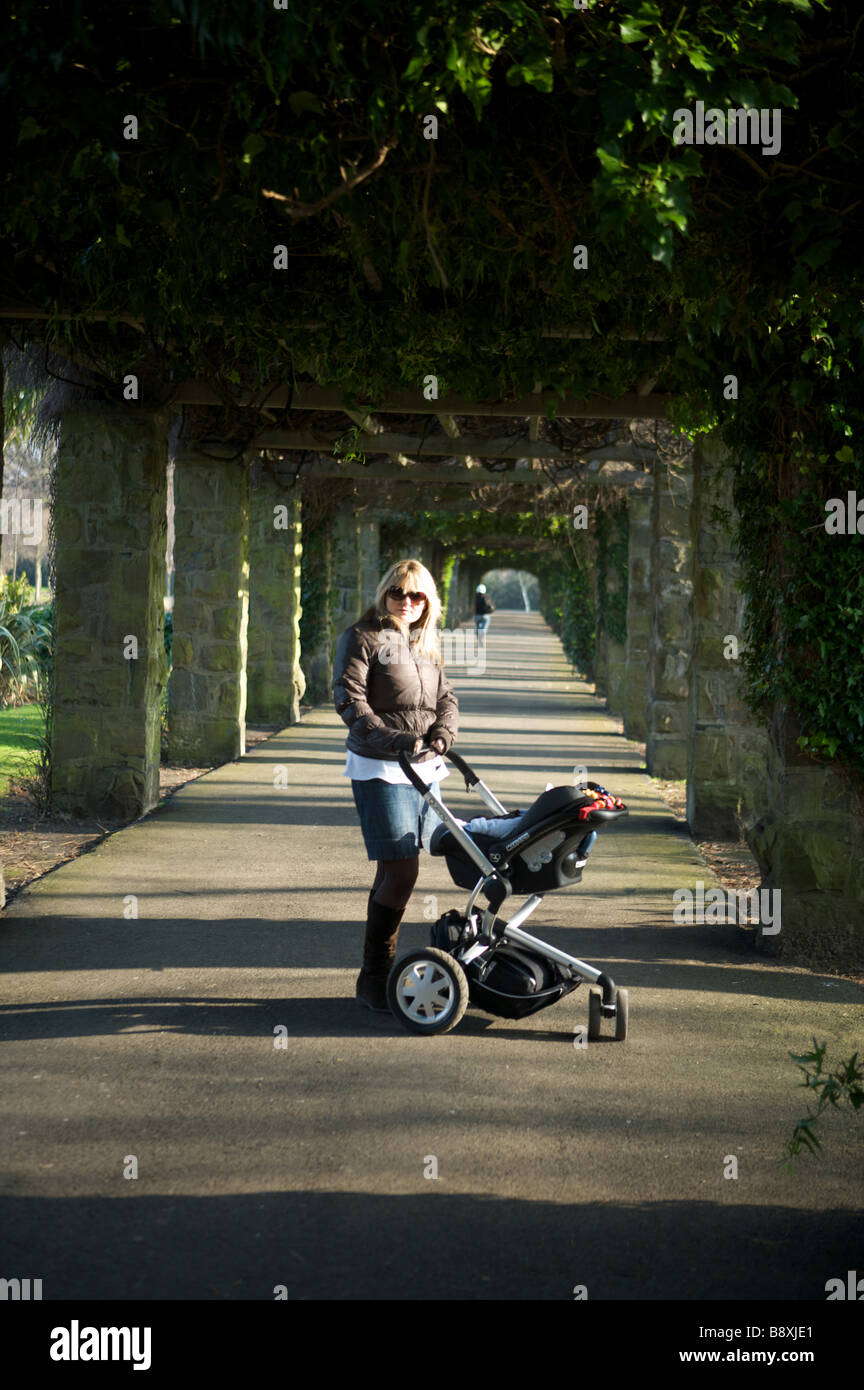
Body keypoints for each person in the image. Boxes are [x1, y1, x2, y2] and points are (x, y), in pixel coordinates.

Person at [333, 559, 459, 1012]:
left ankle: (372, 982)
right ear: (385, 592)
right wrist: (399, 740)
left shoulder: (424, 643)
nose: (407, 602)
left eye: (417, 596)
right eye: (398, 593)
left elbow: (446, 698)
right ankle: (376, 973)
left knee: (395, 868)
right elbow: (349, 699)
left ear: (428, 602)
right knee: (403, 870)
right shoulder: (362, 636)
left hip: (425, 767)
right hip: (380, 768)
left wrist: (443, 734)